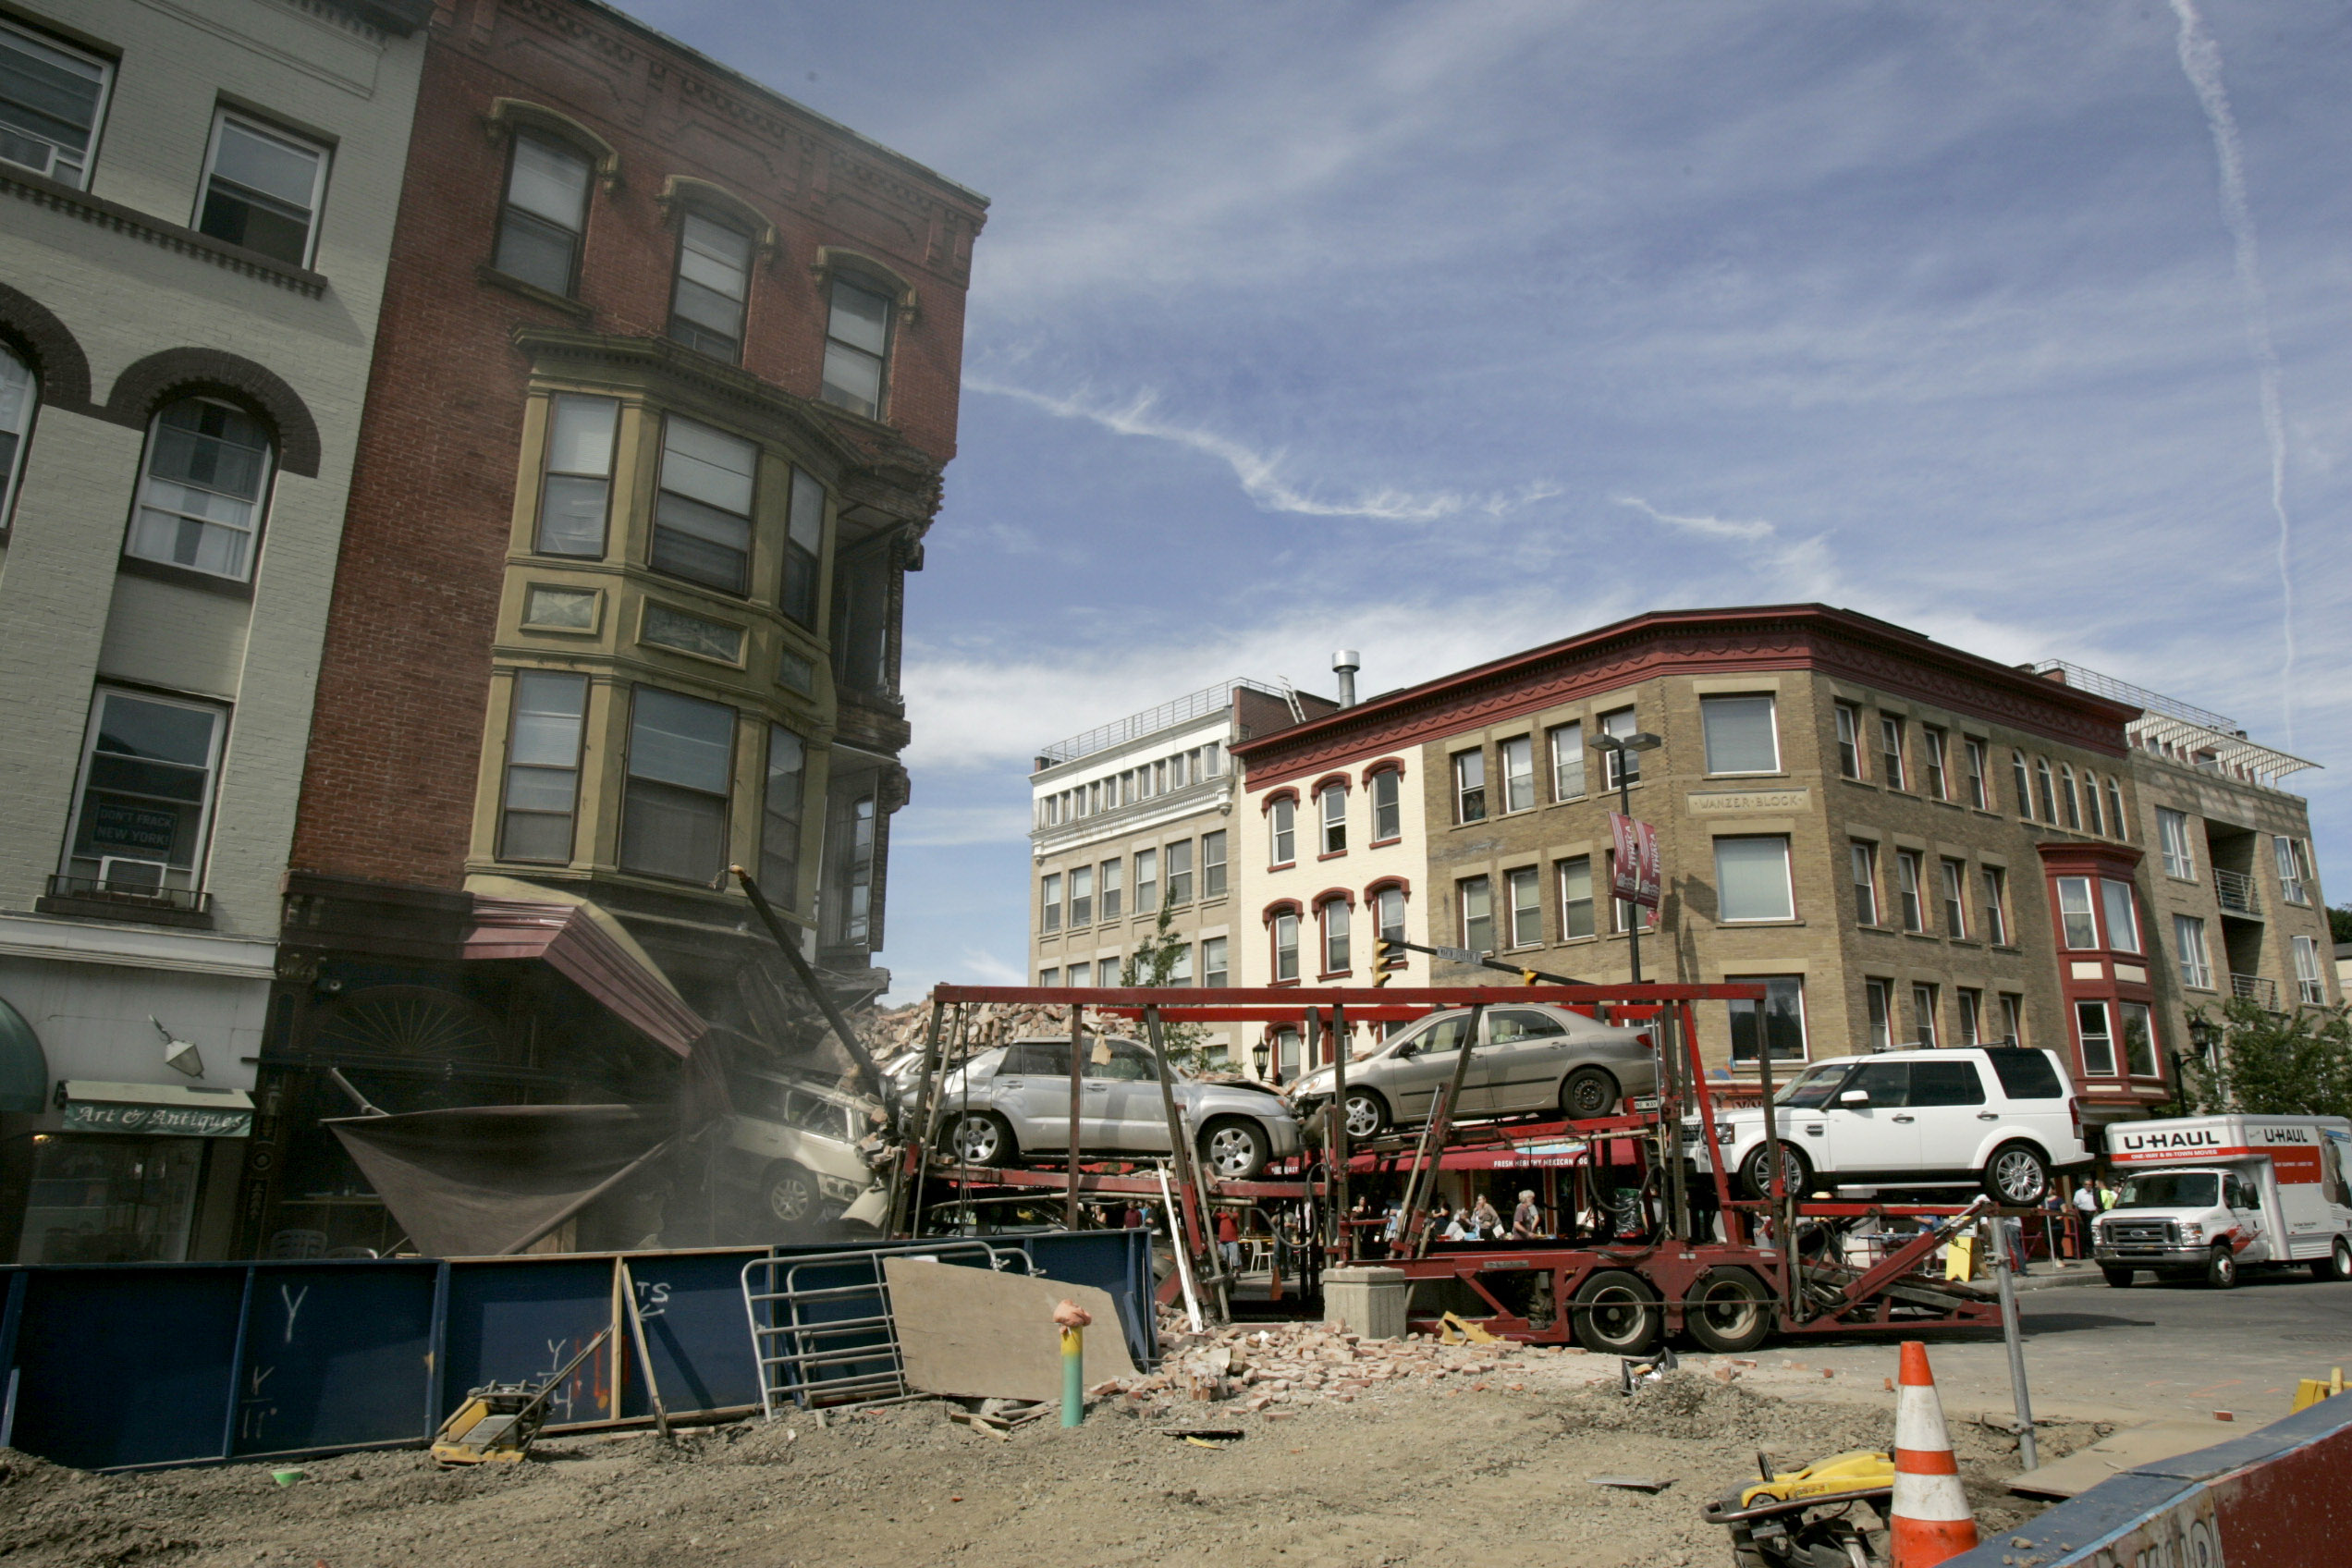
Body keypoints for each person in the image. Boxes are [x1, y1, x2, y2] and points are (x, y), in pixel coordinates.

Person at [1215, 1207, 1242, 1275]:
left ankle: (1237, 1273)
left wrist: (1226, 1211)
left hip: (1232, 1240)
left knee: (1235, 1258)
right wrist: (1216, 1208)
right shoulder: (1221, 1215)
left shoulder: (1235, 1214)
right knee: (1223, 1258)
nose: (1226, 1207)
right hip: (1222, 1241)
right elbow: (1213, 1216)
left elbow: (1232, 1217)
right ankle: (1227, 1273)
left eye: (1228, 1206)